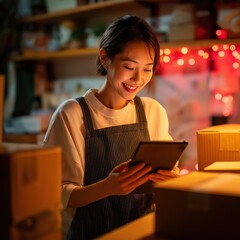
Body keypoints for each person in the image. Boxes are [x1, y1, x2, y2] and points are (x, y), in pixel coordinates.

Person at [43, 15, 180, 240]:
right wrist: (108, 187)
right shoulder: (72, 114)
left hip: (144, 233)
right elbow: (54, 194)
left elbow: (163, 180)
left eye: (147, 69)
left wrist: (170, 181)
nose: (138, 78)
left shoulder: (152, 111)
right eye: (129, 66)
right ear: (105, 58)